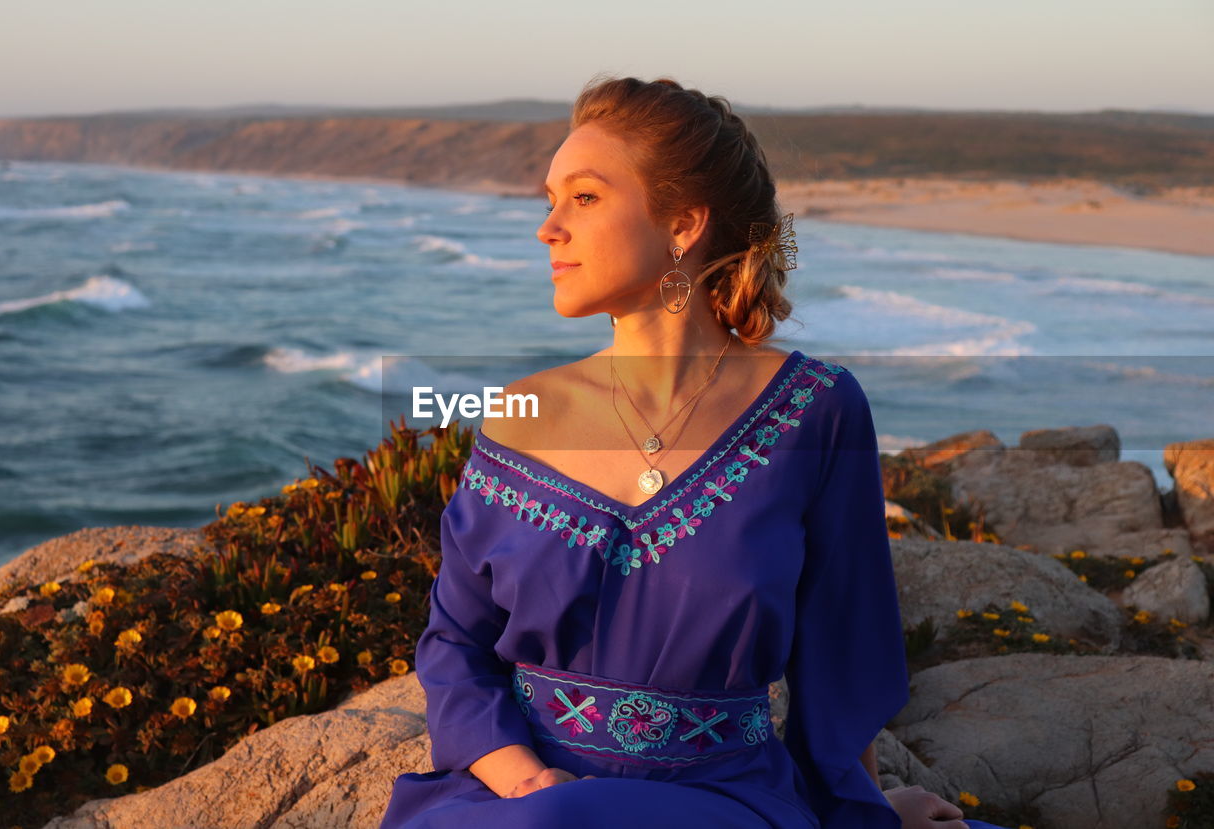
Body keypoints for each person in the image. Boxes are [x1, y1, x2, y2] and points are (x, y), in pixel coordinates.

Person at [379, 75, 1013, 829]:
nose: (548, 228)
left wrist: (869, 809)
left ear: (682, 223)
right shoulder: (517, 418)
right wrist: (519, 779)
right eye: (549, 200)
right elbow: (454, 641)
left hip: (723, 800)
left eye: (582, 198)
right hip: (520, 794)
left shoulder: (816, 409)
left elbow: (840, 653)